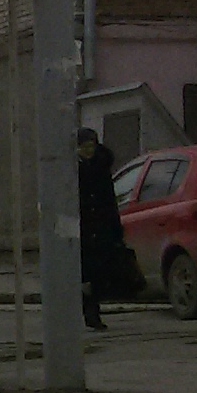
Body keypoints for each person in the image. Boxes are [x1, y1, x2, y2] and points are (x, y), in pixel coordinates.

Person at [75, 127, 127, 330]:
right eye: (83, 147)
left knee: (96, 273)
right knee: (82, 274)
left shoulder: (101, 166)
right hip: (79, 228)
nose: (88, 151)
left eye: (91, 146)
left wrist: (116, 229)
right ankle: (86, 311)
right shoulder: (72, 169)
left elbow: (109, 199)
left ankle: (92, 312)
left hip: (100, 226)